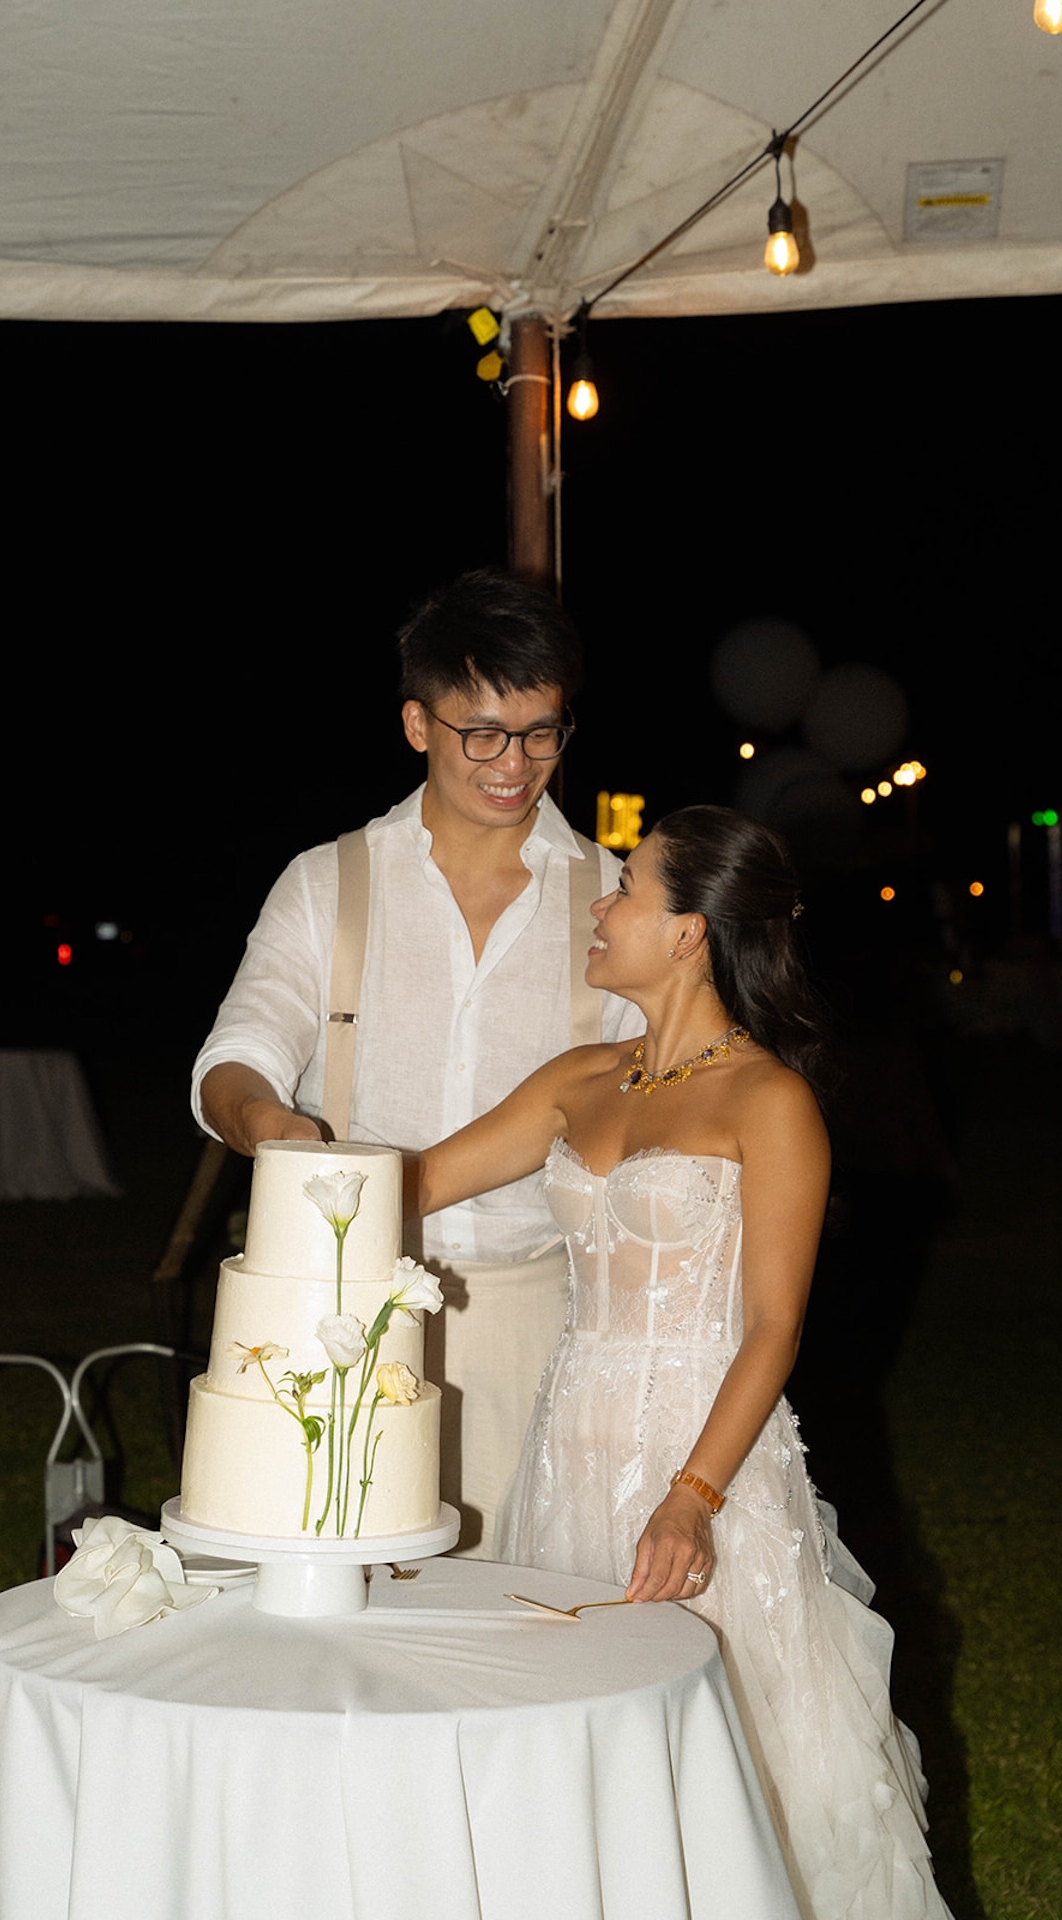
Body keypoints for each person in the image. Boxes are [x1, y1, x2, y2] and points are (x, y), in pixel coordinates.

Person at [414, 806, 953, 1920]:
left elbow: (772, 1326)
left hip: (703, 1464)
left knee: (735, 1766)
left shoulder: (769, 1100)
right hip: (568, 1455)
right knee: (582, 1755)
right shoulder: (577, 1079)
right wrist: (285, 1150)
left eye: (621, 890)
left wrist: (691, 1497)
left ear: (690, 932)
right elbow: (412, 1186)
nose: (597, 909)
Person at [192, 568, 641, 1556]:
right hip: (339, 1308)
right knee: (340, 1590)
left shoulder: (614, 894)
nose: (512, 763)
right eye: (479, 731)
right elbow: (240, 1053)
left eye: (539, 732)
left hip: (540, 1313)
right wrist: (269, 1128)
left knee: (518, 1619)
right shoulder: (327, 880)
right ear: (415, 724)